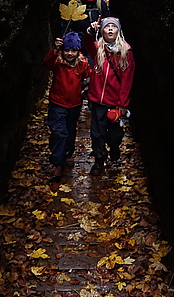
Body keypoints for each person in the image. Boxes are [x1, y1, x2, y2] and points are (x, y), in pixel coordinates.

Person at [84, 17, 135, 175]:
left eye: (114, 27)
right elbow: (86, 43)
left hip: (115, 103)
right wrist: (90, 31)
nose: (111, 29)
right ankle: (99, 160)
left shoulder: (126, 52)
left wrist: (123, 104)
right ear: (102, 30)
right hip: (98, 101)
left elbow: (127, 80)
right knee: (97, 134)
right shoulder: (97, 49)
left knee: (114, 135)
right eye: (107, 27)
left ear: (118, 30)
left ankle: (114, 148)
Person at [43, 32, 91, 179]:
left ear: (78, 51)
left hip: (74, 104)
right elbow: (47, 63)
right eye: (67, 50)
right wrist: (55, 50)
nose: (70, 53)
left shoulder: (82, 64)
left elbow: (90, 76)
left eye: (73, 50)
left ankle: (68, 153)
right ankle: (57, 163)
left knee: (70, 131)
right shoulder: (58, 62)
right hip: (57, 103)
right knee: (59, 132)